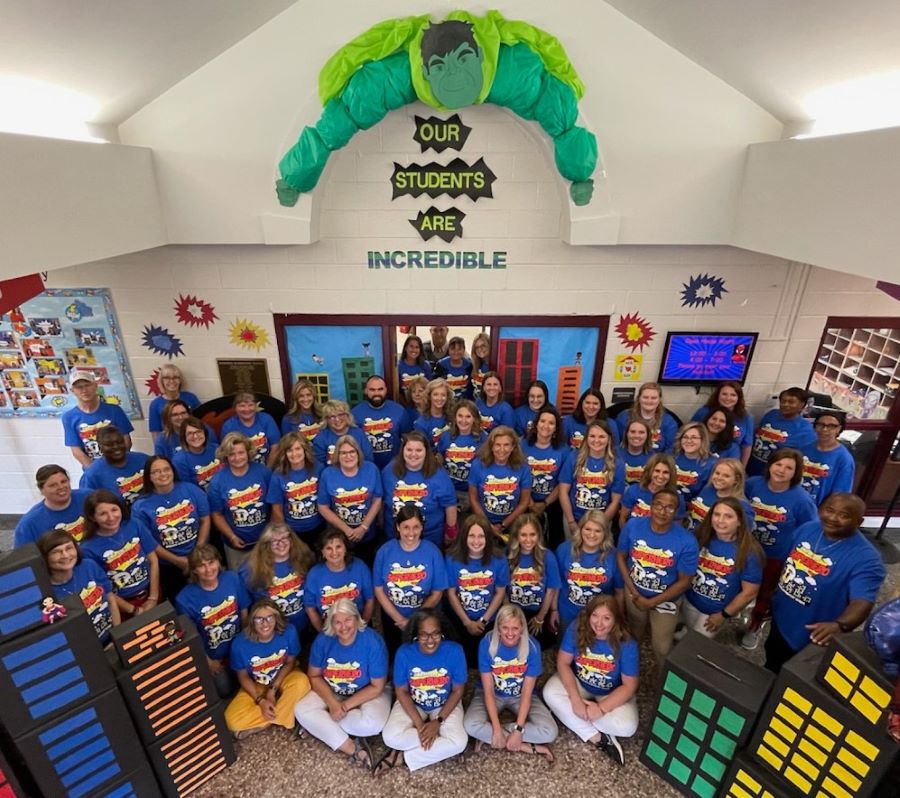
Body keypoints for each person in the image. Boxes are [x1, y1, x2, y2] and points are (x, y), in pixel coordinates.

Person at [765, 493, 886, 673]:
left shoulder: (868, 559)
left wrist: (840, 625)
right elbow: (784, 563)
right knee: (770, 662)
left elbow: (862, 602)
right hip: (782, 619)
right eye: (829, 510)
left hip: (812, 635)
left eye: (844, 515)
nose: (833, 518)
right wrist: (769, 595)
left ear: (859, 522)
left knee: (789, 680)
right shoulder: (807, 529)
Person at [294, 599, 391, 770]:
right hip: (333, 690)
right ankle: (351, 747)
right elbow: (314, 676)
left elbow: (377, 686)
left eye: (348, 620)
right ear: (331, 623)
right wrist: (332, 704)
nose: (343, 627)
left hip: (367, 692)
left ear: (356, 618)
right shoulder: (323, 640)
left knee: (374, 724)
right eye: (337, 622)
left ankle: (321, 727)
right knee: (300, 710)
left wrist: (343, 707)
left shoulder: (372, 641)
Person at [543, 595, 639, 766]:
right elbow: (563, 662)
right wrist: (574, 699)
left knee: (628, 727)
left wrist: (601, 709)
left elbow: (629, 686)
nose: (599, 623)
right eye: (595, 615)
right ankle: (598, 738)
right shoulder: (577, 627)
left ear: (615, 620)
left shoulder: (627, 643)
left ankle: (569, 715)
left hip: (610, 693)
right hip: (580, 683)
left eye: (606, 618)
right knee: (549, 692)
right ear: (588, 615)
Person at [741, 448, 818, 650]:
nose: (782, 470)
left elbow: (811, 530)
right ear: (770, 465)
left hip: (774, 555)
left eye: (789, 467)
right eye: (778, 464)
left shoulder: (802, 500)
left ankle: (755, 626)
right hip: (745, 548)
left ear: (796, 472)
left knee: (765, 593)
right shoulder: (752, 485)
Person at [616, 489, 699, 668]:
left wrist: (652, 601)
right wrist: (632, 590)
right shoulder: (633, 526)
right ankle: (630, 668)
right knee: (634, 633)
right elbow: (621, 557)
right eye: (659, 505)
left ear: (677, 512)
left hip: (666, 601)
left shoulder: (687, 541)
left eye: (670, 508)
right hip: (635, 593)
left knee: (662, 647)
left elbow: (685, 581)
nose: (663, 511)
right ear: (651, 506)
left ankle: (664, 684)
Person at [379, 609, 468, 774]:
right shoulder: (404, 653)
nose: (430, 641)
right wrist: (421, 726)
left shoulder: (454, 651)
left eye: (435, 634)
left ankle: (403, 758)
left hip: (444, 703)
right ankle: (439, 747)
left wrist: (438, 722)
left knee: (460, 742)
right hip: (414, 703)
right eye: (424, 635)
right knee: (389, 736)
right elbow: (402, 691)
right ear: (415, 635)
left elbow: (457, 691)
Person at [464, 603, 557, 761]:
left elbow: (527, 693)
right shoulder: (486, 643)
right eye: (505, 627)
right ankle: (524, 745)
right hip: (492, 693)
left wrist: (519, 729)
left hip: (521, 695)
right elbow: (488, 691)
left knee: (550, 731)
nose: (510, 633)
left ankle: (493, 736)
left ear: (522, 628)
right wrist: (496, 728)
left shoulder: (532, 646)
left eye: (515, 628)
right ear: (498, 628)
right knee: (470, 724)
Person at [225, 599, 311, 739]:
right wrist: (261, 701)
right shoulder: (240, 643)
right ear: (252, 621)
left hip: (284, 677)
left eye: (269, 617)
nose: (265, 623)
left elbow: (291, 661)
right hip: (257, 683)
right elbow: (242, 676)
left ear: (276, 618)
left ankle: (265, 723)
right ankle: (284, 714)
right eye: (259, 619)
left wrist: (273, 690)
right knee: (231, 720)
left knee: (302, 682)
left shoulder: (289, 631)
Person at [175, 544, 250, 697]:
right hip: (215, 657)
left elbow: (244, 612)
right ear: (194, 570)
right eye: (201, 566)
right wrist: (208, 661)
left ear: (218, 562)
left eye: (211, 562)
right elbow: (191, 636)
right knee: (225, 690)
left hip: (238, 647)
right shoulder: (184, 599)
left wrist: (247, 643)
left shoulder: (232, 578)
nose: (208, 569)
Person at [682, 498, 764, 638]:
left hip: (715, 611)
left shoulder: (749, 552)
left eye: (728, 516)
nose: (720, 520)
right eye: (717, 514)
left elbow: (749, 593)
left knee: (697, 645)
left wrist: (723, 615)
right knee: (690, 628)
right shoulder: (701, 536)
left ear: (739, 522)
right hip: (690, 599)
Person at [132, 455, 210, 599]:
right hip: (168, 565)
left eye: (166, 469)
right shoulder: (140, 506)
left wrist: (198, 551)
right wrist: (177, 561)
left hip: (198, 555)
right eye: (156, 471)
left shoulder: (191, 489)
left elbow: (205, 520)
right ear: (149, 477)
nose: (163, 474)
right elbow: (149, 542)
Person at [373, 506, 447, 655]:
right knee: (395, 654)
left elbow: (437, 592)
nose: (411, 533)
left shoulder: (433, 552)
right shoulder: (384, 552)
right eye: (406, 527)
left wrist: (414, 621)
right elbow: (379, 589)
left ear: (422, 528)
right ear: (397, 527)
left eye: (416, 527)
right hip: (393, 618)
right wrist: (399, 619)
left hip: (425, 619)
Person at [80, 489, 161, 619]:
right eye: (103, 514)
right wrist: (133, 610)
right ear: (92, 517)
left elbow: (153, 560)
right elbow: (102, 589)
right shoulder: (87, 549)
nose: (111, 517)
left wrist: (153, 597)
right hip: (123, 607)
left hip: (152, 591)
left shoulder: (134, 524)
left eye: (114, 510)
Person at [445, 513, 509, 666]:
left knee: (487, 661)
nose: (476, 541)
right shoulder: (452, 558)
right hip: (461, 619)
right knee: (463, 661)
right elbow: (451, 593)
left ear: (488, 538)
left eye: (481, 536)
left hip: (489, 619)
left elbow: (500, 592)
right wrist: (467, 622)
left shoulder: (499, 559)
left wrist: (483, 620)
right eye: (471, 536)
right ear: (464, 537)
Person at [38, 529, 119, 644]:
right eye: (56, 552)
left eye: (69, 548)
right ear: (45, 557)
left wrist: (116, 637)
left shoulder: (89, 566)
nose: (65, 555)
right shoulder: (45, 594)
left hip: (111, 639)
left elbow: (110, 600)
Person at [207, 432, 271, 569]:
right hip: (235, 546)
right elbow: (217, 515)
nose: (237, 458)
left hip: (265, 542)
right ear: (225, 456)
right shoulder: (217, 482)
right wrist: (231, 537)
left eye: (241, 453)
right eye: (232, 454)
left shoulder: (263, 472)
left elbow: (274, 505)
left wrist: (271, 532)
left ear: (248, 452)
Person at [240, 522, 315, 638]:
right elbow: (246, 603)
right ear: (266, 544)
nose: (280, 544)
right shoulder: (251, 569)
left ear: (291, 539)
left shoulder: (305, 557)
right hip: (274, 631)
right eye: (274, 541)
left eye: (284, 538)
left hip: (305, 625)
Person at [382, 431, 457, 547]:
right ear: (403, 450)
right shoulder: (388, 471)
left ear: (426, 452)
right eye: (409, 450)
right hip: (395, 537)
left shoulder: (439, 474)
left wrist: (451, 531)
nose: (413, 454)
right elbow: (380, 502)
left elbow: (450, 505)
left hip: (430, 538)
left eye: (418, 450)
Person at [317, 435, 383, 564]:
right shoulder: (328, 474)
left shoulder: (371, 469)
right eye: (343, 453)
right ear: (337, 455)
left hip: (367, 534)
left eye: (352, 451)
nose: (348, 456)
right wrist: (346, 530)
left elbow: (377, 499)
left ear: (358, 453)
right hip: (338, 537)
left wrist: (363, 527)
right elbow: (323, 507)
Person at [468, 425, 532, 544]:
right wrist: (487, 525)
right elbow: (473, 498)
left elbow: (524, 502)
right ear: (491, 446)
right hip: (482, 521)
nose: (502, 449)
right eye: (497, 445)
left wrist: (503, 525)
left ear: (513, 447)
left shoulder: (523, 467)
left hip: (512, 523)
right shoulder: (478, 465)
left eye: (506, 445)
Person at [556, 511, 617, 634]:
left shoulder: (613, 555)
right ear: (580, 529)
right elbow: (556, 585)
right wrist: (553, 611)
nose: (592, 535)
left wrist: (617, 619)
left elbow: (619, 592)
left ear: (605, 533)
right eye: (587, 529)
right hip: (567, 612)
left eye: (598, 531)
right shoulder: (564, 549)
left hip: (599, 618)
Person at [559, 420, 624, 534]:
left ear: (609, 438)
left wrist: (599, 525)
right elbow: (563, 492)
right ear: (586, 438)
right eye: (592, 436)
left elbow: (615, 501)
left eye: (602, 436)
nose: (596, 440)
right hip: (573, 517)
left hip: (601, 521)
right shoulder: (573, 457)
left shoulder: (617, 463)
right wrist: (571, 522)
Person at [303, 529, 374, 632]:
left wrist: (362, 627)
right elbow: (310, 608)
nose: (334, 552)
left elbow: (370, 600)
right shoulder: (314, 575)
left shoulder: (360, 567)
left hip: (358, 628)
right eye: (329, 548)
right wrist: (323, 633)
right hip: (330, 630)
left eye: (338, 547)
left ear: (345, 548)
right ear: (322, 551)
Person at [506, 513, 561, 648]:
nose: (528, 540)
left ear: (539, 535)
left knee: (538, 647)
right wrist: (510, 615)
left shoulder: (548, 556)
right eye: (523, 535)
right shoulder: (507, 555)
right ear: (516, 536)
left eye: (532, 534)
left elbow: (551, 590)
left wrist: (541, 617)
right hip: (514, 611)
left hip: (539, 611)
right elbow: (502, 589)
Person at [62, 369, 134, 467]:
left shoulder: (115, 410)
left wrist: (118, 465)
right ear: (72, 391)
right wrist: (96, 472)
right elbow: (76, 450)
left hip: (119, 465)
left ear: (95, 386)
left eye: (87, 385)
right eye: (79, 387)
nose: (84, 390)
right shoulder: (69, 417)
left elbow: (126, 441)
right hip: (93, 469)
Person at [520, 405, 568, 549]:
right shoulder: (522, 445)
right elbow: (517, 476)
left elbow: (562, 482)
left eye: (551, 423)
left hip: (552, 504)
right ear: (536, 423)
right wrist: (531, 502)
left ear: (556, 428)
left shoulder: (563, 450)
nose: (546, 426)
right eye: (542, 421)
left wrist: (545, 504)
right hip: (525, 501)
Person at [266, 432, 324, 545]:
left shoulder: (319, 468)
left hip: (319, 527)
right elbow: (276, 509)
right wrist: (286, 534)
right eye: (289, 450)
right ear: (284, 453)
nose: (294, 454)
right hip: (293, 531)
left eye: (298, 449)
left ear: (305, 450)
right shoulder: (277, 475)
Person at [14, 464, 92, 547]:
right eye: (53, 485)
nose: (61, 487)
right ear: (41, 490)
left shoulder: (89, 497)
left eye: (63, 481)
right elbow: (25, 557)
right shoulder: (29, 524)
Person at [747, 386, 816, 476]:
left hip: (774, 476)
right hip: (751, 469)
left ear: (802, 405)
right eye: (783, 401)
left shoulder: (805, 429)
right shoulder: (771, 415)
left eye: (791, 402)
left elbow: (802, 460)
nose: (785, 404)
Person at [79, 426, 149, 506]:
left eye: (119, 442)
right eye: (109, 444)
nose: (116, 447)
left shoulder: (143, 460)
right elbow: (88, 506)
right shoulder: (92, 475)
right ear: (100, 447)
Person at [352, 375, 412, 470]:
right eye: (372, 390)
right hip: (366, 467)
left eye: (380, 389)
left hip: (394, 466)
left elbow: (408, 438)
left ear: (386, 390)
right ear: (366, 391)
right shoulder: (355, 413)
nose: (376, 393)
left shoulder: (399, 410)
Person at [437, 399, 485, 510]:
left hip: (471, 493)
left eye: (468, 416)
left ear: (475, 419)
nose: (463, 420)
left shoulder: (482, 438)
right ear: (455, 417)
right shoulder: (445, 436)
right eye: (460, 416)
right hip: (449, 490)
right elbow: (439, 460)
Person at [690, 381, 753, 464]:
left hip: (729, 459)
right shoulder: (703, 412)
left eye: (733, 395)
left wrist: (742, 468)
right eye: (724, 394)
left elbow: (747, 446)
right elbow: (689, 433)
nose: (728, 398)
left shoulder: (746, 418)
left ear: (739, 398)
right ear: (717, 395)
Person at [800, 411, 855, 505]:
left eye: (831, 426)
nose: (824, 429)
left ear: (839, 429)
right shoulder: (803, 449)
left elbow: (839, 494)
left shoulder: (844, 459)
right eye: (820, 425)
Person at [686, 458, 753, 531]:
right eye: (717, 473)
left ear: (736, 480)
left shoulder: (742, 507)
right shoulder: (708, 489)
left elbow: (742, 536)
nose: (719, 478)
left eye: (726, 476)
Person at [619, 453, 684, 528]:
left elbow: (676, 529)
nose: (660, 476)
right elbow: (623, 519)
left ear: (671, 475)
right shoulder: (633, 491)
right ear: (650, 471)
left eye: (666, 472)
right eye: (657, 471)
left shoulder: (677, 499)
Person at [615, 382, 678, 454]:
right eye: (645, 397)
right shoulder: (624, 417)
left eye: (653, 398)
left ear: (659, 400)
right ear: (639, 398)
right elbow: (616, 444)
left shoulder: (669, 422)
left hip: (655, 461)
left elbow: (671, 449)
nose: (649, 401)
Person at [221, 392, 280, 467]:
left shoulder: (266, 419)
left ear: (255, 406)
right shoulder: (228, 426)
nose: (247, 409)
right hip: (240, 467)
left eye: (250, 405)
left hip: (268, 465)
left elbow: (275, 447)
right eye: (242, 406)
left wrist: (267, 471)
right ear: (235, 407)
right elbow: (226, 453)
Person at [148, 364, 200, 443]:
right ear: (162, 381)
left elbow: (201, 422)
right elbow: (155, 432)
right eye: (167, 378)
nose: (172, 381)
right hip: (170, 443)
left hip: (193, 440)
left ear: (180, 380)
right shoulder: (155, 404)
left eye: (175, 377)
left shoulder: (191, 398)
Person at [313, 399, 374, 466]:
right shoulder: (320, 438)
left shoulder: (359, 433)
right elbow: (320, 465)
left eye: (340, 415)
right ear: (326, 419)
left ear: (347, 415)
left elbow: (368, 459)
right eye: (332, 416)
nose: (337, 419)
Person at [671, 422, 715, 504]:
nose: (689, 441)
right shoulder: (672, 457)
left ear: (703, 440)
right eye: (685, 437)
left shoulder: (712, 464)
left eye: (694, 437)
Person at [413, 378, 453, 448]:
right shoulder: (420, 423)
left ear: (447, 397)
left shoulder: (453, 417)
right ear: (429, 396)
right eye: (435, 394)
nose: (439, 398)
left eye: (443, 395)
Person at [434, 336, 473, 400]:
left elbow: (471, 388)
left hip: (464, 402)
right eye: (453, 349)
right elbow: (435, 385)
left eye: (459, 349)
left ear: (464, 350)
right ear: (448, 350)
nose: (456, 352)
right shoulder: (441, 365)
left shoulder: (469, 365)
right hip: (445, 401)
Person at [618, 419, 653, 487]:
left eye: (641, 432)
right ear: (626, 434)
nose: (637, 435)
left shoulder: (653, 458)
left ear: (647, 435)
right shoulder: (614, 453)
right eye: (633, 432)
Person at [397, 335, 433, 401]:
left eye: (417, 347)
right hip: (405, 403)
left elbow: (429, 388)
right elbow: (397, 390)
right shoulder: (398, 366)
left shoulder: (426, 365)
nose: (414, 350)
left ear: (420, 349)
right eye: (411, 346)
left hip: (423, 404)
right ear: (405, 348)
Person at [470, 332, 491, 400]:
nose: (480, 349)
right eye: (477, 347)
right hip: (475, 404)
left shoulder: (495, 365)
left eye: (483, 346)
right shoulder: (475, 365)